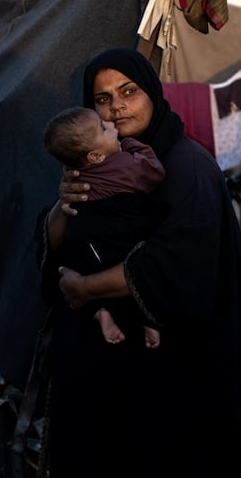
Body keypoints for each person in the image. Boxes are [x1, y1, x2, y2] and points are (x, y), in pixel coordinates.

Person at [37, 47, 241, 478]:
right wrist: (61, 209)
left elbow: (179, 266)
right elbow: (57, 240)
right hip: (104, 379)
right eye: (102, 98)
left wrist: (87, 289)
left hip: (172, 375)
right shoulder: (93, 163)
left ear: (152, 93)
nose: (117, 107)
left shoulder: (186, 166)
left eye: (129, 92)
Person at [42, 105, 165, 348]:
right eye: (103, 127)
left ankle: (100, 313)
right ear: (96, 156)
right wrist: (131, 145)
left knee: (78, 268)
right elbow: (154, 171)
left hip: (84, 238)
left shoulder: (72, 172)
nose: (111, 124)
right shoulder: (123, 165)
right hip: (118, 235)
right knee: (132, 266)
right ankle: (148, 320)